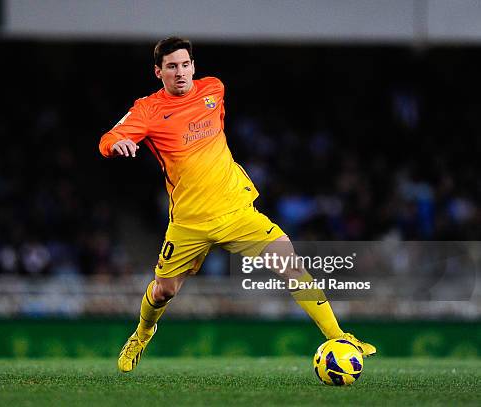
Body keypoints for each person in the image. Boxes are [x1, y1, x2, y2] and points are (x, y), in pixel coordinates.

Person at [99, 37, 376, 373]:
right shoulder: (148, 109)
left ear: (193, 67)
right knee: (163, 291)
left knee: (291, 265)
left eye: (185, 65)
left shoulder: (213, 89)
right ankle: (142, 334)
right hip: (190, 221)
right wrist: (119, 144)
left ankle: (341, 336)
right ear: (158, 72)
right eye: (172, 67)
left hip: (236, 211)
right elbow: (107, 139)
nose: (180, 72)